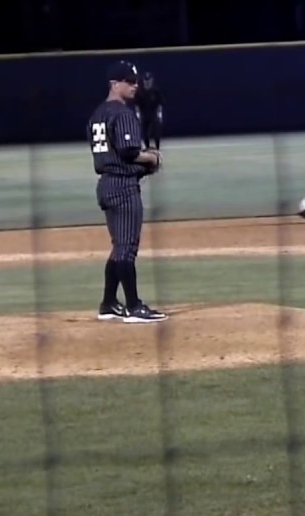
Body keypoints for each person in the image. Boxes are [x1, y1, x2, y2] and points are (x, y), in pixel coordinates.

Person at [86, 60, 167, 323]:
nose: (135, 86)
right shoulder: (122, 114)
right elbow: (128, 151)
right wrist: (151, 158)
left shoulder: (97, 114)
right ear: (114, 84)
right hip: (122, 187)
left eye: (135, 82)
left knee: (119, 247)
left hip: (106, 185)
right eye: (129, 82)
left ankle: (109, 303)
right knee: (127, 248)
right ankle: (134, 306)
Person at [135, 71, 164, 150]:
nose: (147, 83)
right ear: (143, 81)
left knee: (156, 133)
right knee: (145, 134)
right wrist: (138, 114)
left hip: (153, 114)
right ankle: (147, 147)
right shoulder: (140, 92)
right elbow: (137, 105)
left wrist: (160, 114)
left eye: (149, 81)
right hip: (144, 115)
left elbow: (159, 104)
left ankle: (157, 147)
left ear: (152, 81)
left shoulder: (155, 91)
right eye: (146, 81)